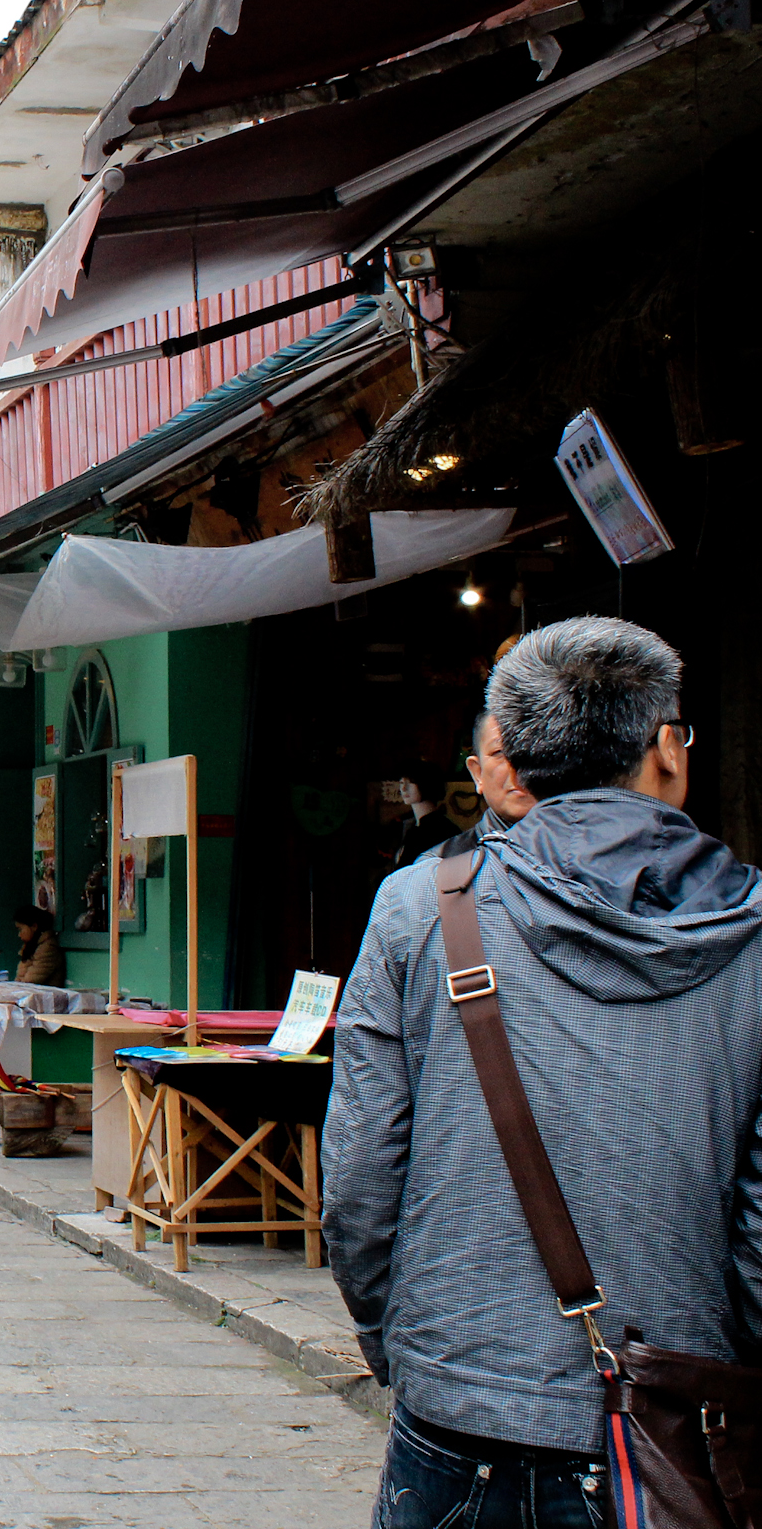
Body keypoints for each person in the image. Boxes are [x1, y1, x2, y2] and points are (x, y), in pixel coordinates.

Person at [326, 617, 762, 1524]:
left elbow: (360, 1176)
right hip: (678, 1433)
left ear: (512, 761)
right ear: (667, 750)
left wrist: (406, 1345)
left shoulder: (420, 908)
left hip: (457, 1411)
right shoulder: (752, 938)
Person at [437, 710, 538, 860]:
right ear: (477, 773)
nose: (518, 767)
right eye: (500, 753)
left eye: (536, 750)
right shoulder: (440, 868)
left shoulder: (581, 858)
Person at [388, 763, 457, 869]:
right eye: (401, 782)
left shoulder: (441, 830)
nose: (404, 788)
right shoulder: (410, 827)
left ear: (426, 784)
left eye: (411, 782)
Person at [12, 904, 63, 985]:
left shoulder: (48, 948)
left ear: (34, 926)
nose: (19, 935)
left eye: (20, 929)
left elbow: (31, 981)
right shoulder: (30, 946)